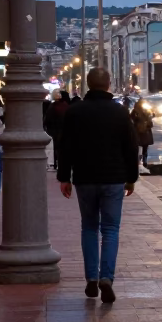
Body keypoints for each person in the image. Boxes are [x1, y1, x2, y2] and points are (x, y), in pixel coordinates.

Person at [57, 69, 139, 304]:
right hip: (113, 179)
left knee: (89, 228)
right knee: (111, 230)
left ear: (88, 84)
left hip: (85, 178)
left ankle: (91, 278)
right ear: (109, 84)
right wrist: (131, 178)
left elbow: (66, 147)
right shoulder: (120, 112)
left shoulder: (75, 111)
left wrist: (65, 177)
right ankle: (106, 278)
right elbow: (131, 148)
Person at [43, 90, 71, 170]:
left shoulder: (52, 106)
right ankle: (62, 163)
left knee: (56, 147)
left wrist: (47, 128)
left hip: (55, 129)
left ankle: (56, 163)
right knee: (63, 147)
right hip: (64, 129)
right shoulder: (66, 106)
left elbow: (48, 119)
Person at [130, 98, 154, 166]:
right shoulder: (136, 111)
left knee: (144, 147)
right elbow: (132, 118)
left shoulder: (147, 110)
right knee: (139, 147)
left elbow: (151, 118)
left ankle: (144, 160)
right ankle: (139, 160)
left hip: (145, 131)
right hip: (139, 131)